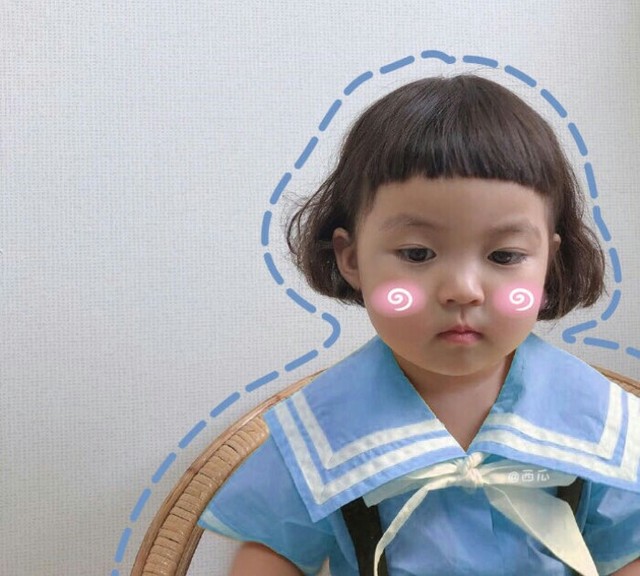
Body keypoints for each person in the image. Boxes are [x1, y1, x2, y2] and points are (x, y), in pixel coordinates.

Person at [198, 75, 640, 575]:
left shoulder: (597, 417)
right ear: (351, 258)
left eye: (504, 256)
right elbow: (270, 553)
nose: (462, 290)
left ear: (548, 263)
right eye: (417, 253)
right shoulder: (321, 426)